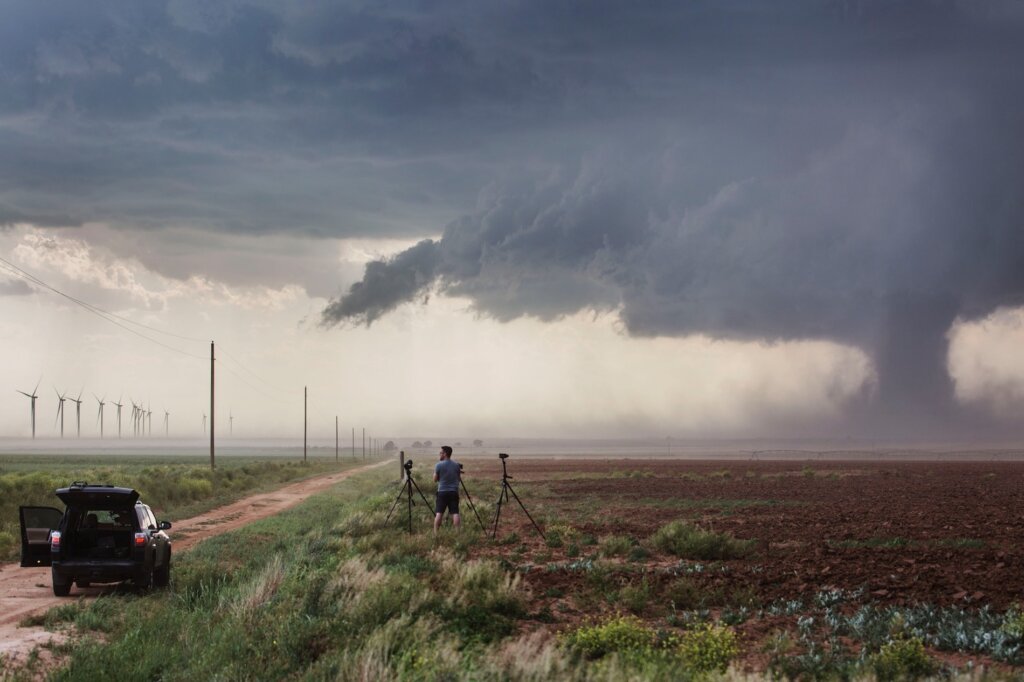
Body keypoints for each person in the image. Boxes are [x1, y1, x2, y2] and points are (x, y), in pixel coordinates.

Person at [433, 445, 461, 533]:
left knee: (439, 513)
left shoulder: (438, 465)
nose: (439, 454)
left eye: (441, 453)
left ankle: (436, 533)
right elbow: (458, 479)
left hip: (442, 492)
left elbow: (434, 480)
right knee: (455, 513)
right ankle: (457, 533)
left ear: (445, 454)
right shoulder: (456, 465)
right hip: (453, 492)